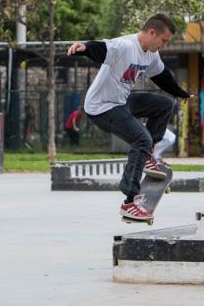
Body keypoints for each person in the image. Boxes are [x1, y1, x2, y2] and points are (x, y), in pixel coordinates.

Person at [67, 13, 191, 222]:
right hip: (101, 107)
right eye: (164, 40)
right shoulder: (125, 45)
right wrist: (85, 47)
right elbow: (102, 48)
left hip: (122, 101)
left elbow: (162, 76)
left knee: (166, 105)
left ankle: (147, 157)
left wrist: (180, 93)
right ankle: (129, 202)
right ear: (152, 33)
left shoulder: (151, 54)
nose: (164, 45)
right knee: (141, 139)